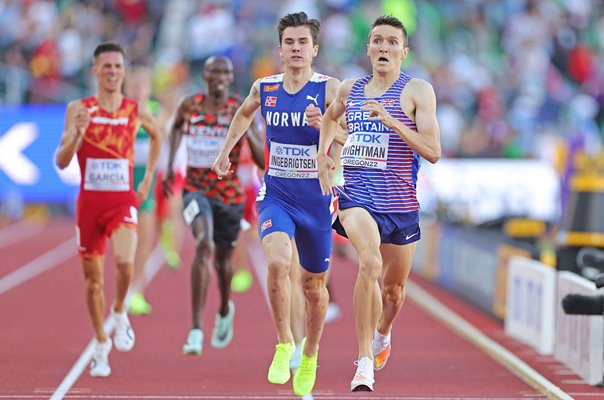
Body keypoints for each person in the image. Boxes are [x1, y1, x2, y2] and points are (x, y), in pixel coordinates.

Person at [212, 12, 340, 397]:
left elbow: (353, 136)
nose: (296, 49)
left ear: (314, 49)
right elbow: (242, 114)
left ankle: (311, 353)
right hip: (278, 195)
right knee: (279, 263)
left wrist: (326, 129)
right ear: (280, 49)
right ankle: (284, 342)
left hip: (316, 200)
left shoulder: (329, 89)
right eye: (290, 43)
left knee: (313, 287)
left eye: (303, 43)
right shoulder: (264, 88)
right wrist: (225, 153)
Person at [317, 15, 441, 392]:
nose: (383, 48)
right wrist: (325, 153)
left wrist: (393, 121)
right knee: (368, 262)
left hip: (401, 205)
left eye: (391, 42)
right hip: (357, 198)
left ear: (404, 51)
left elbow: (433, 151)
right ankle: (364, 362)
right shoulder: (350, 89)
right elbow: (331, 122)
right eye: (377, 41)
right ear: (368, 48)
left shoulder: (418, 91)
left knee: (393, 292)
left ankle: (383, 333)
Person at [55, 42, 161, 378]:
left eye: (118, 66)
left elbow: (157, 138)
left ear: (124, 71)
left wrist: (146, 184)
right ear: (95, 71)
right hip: (90, 204)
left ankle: (119, 311)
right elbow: (61, 160)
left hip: (121, 201)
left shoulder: (136, 109)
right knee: (93, 283)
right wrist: (78, 135)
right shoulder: (78, 108)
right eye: (107, 66)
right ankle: (101, 343)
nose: (113, 72)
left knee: (126, 264)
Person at [162, 55, 264, 357]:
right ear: (205, 76)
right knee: (203, 244)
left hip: (229, 197)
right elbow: (177, 128)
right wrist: (170, 166)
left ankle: (223, 308)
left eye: (226, 72)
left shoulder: (240, 109)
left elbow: (260, 158)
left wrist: (245, 131)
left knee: (222, 264)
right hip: (195, 190)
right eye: (214, 72)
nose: (220, 77)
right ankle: (195, 328)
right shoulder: (189, 105)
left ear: (231, 78)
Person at [123, 65, 161, 315]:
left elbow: (164, 137)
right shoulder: (121, 110)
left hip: (146, 182)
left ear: (148, 89)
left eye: (142, 85)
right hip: (123, 182)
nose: (137, 90)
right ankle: (124, 287)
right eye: (133, 85)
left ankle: (138, 290)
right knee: (126, 240)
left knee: (145, 238)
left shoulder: (156, 111)